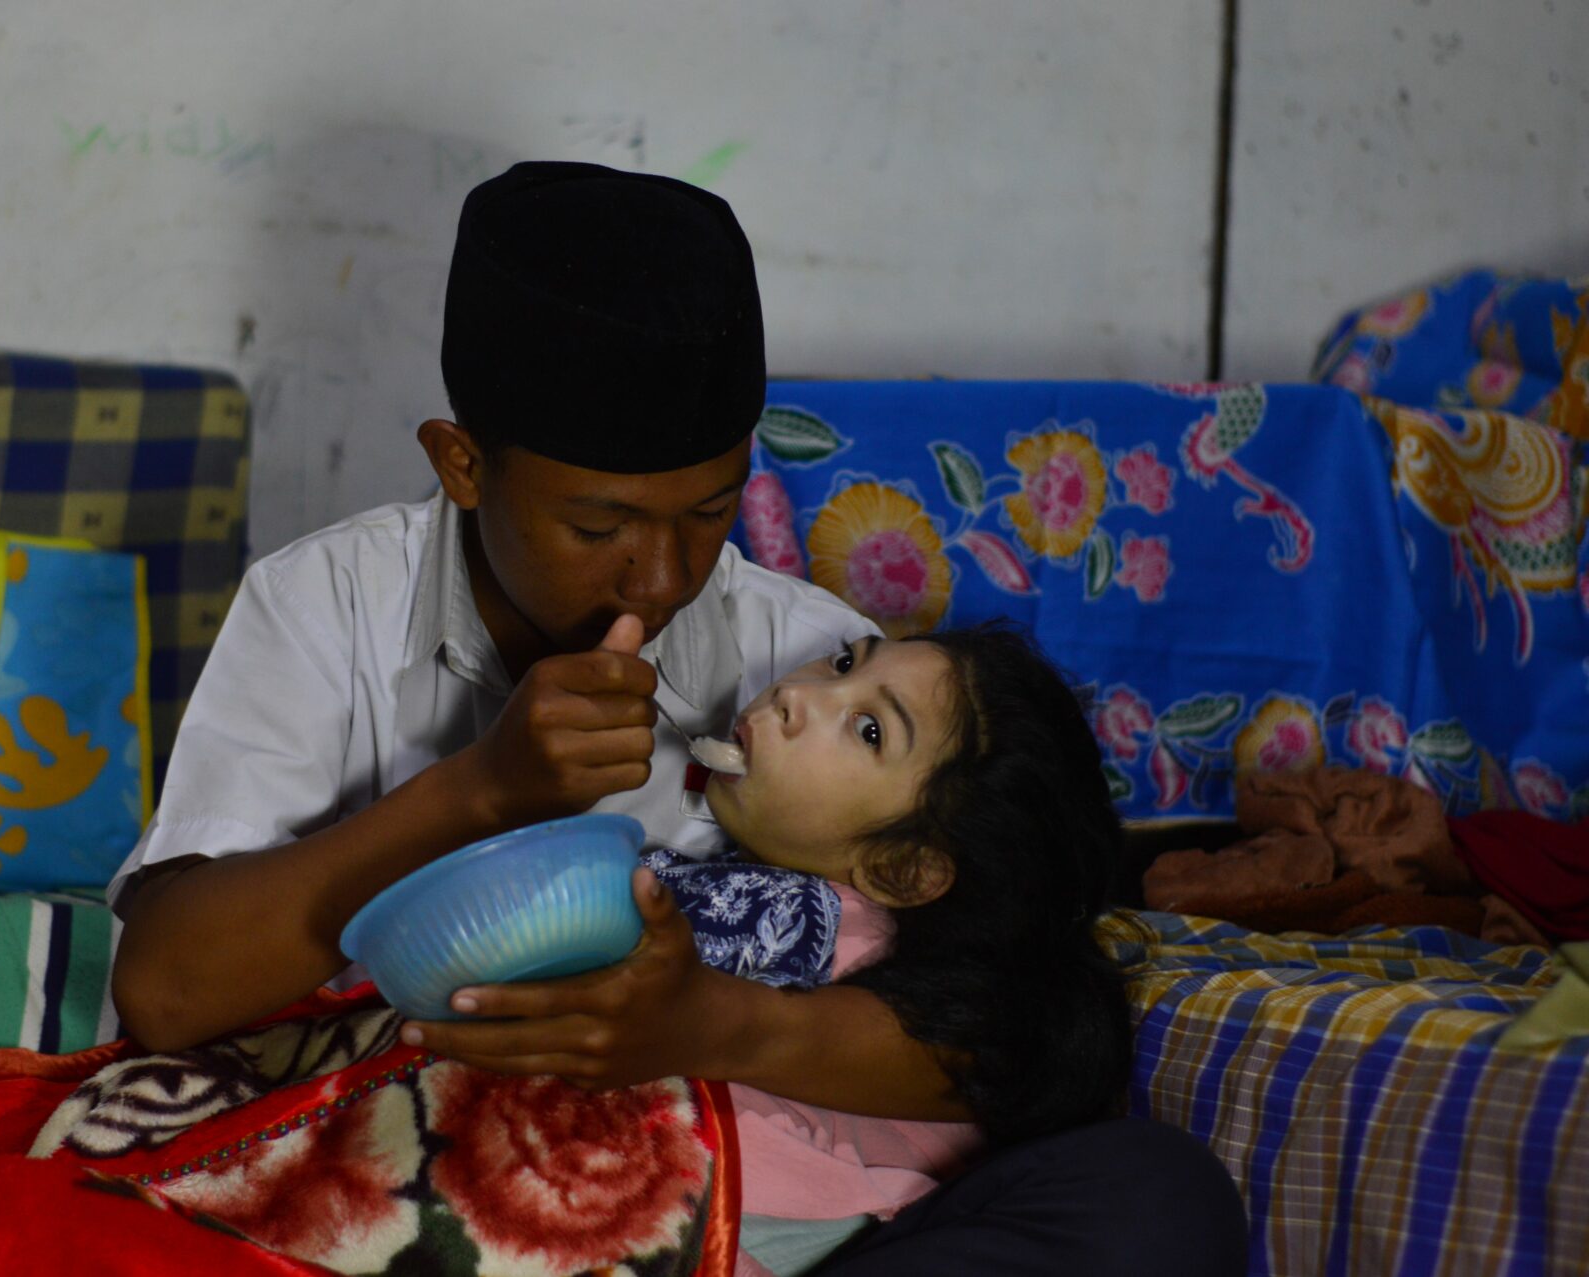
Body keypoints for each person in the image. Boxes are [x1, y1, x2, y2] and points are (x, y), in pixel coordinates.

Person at [108, 160, 1247, 1275]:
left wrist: (713, 1024)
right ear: (463, 464)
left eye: (708, 512)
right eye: (598, 526)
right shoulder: (328, 605)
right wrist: (478, 792)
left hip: (733, 1213)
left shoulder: (806, 653)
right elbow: (165, 993)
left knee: (1151, 1192)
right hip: (442, 1198)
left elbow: (1040, 1032)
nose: (659, 579)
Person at [645, 621, 1238, 1276]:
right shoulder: (707, 873)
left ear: (901, 868)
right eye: (842, 662)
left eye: (870, 730)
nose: (795, 693)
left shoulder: (857, 942)